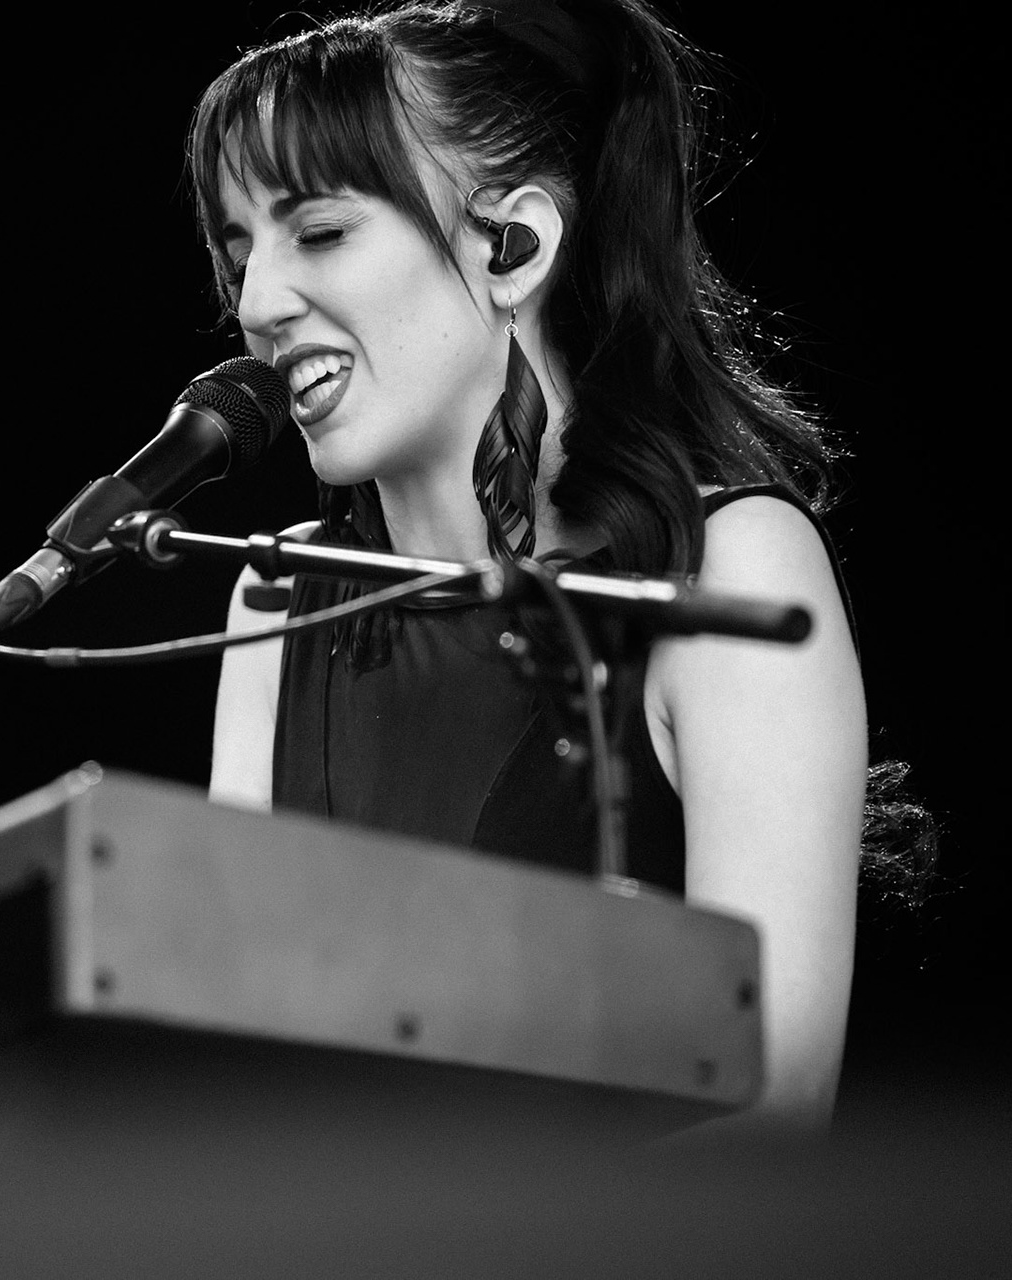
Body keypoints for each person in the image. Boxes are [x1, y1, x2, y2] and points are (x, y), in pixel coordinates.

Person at [197, 0, 867, 1135]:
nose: (256, 302)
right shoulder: (277, 593)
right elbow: (238, 1083)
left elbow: (771, 1109)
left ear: (512, 245)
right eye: (235, 246)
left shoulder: (726, 568)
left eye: (318, 232)